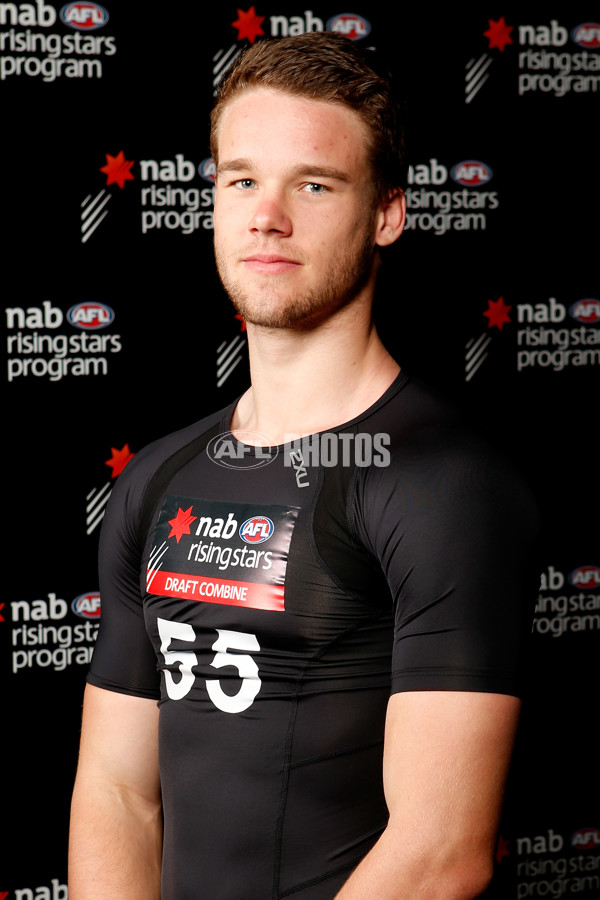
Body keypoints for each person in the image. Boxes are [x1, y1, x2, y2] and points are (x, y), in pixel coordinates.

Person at [68, 31, 539, 900]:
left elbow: (441, 852)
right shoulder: (160, 478)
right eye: (241, 180)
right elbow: (118, 793)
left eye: (313, 185)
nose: (267, 216)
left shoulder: (445, 484)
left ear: (388, 213)